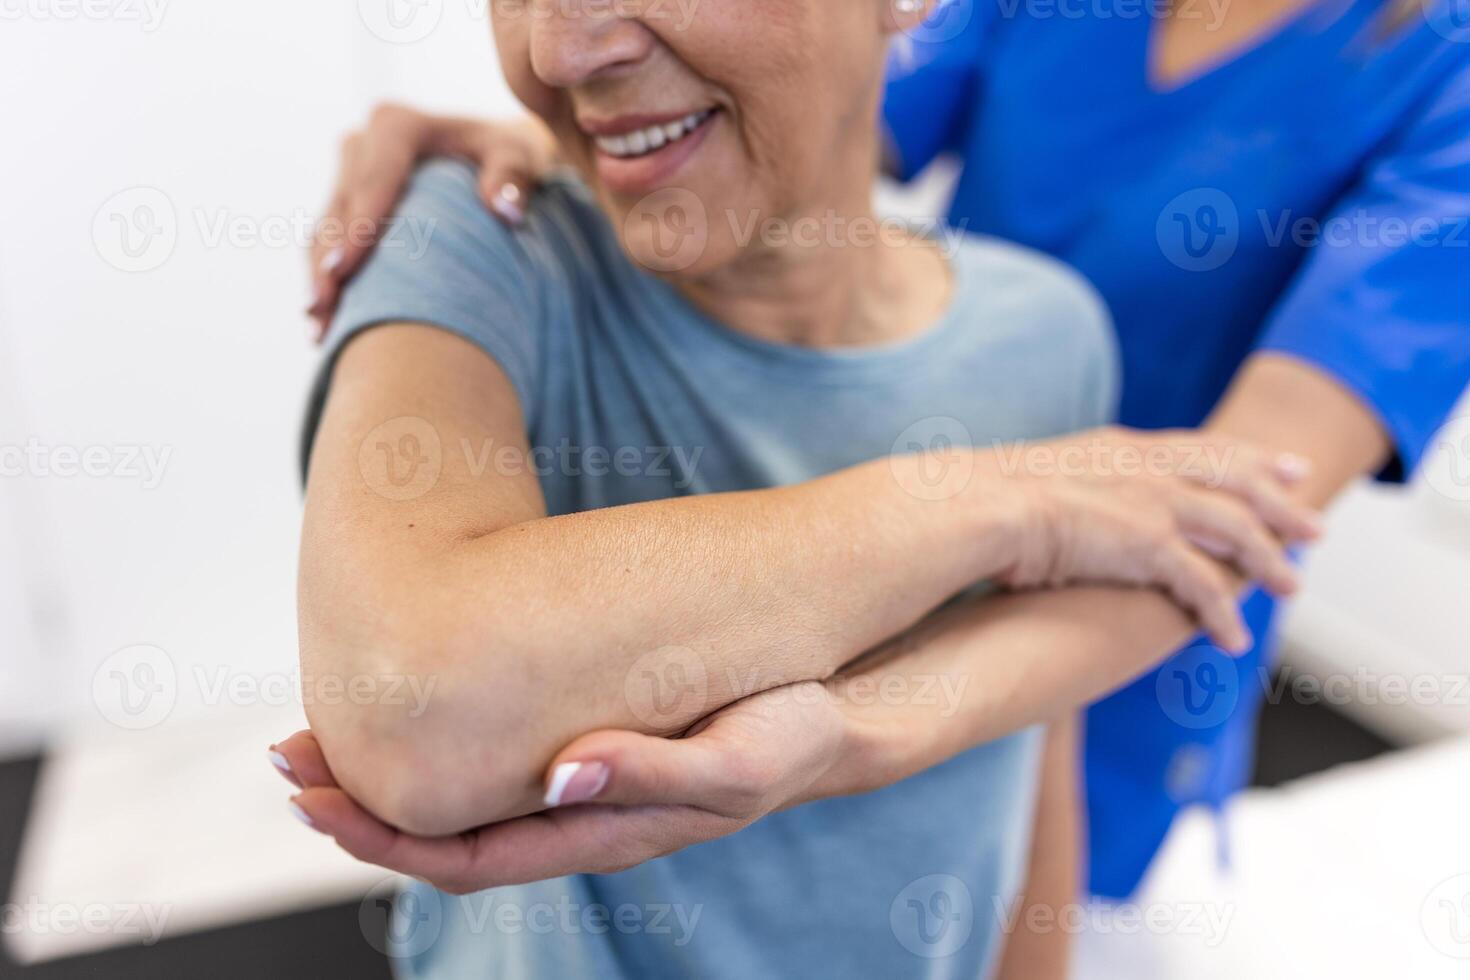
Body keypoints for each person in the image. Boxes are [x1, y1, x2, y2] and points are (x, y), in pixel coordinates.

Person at [304, 0, 1470, 898]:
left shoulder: (1441, 75)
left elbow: (1230, 513)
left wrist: (859, 725)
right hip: (894, 539)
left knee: (1021, 882)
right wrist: (549, 137)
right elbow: (800, 117)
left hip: (1111, 631)